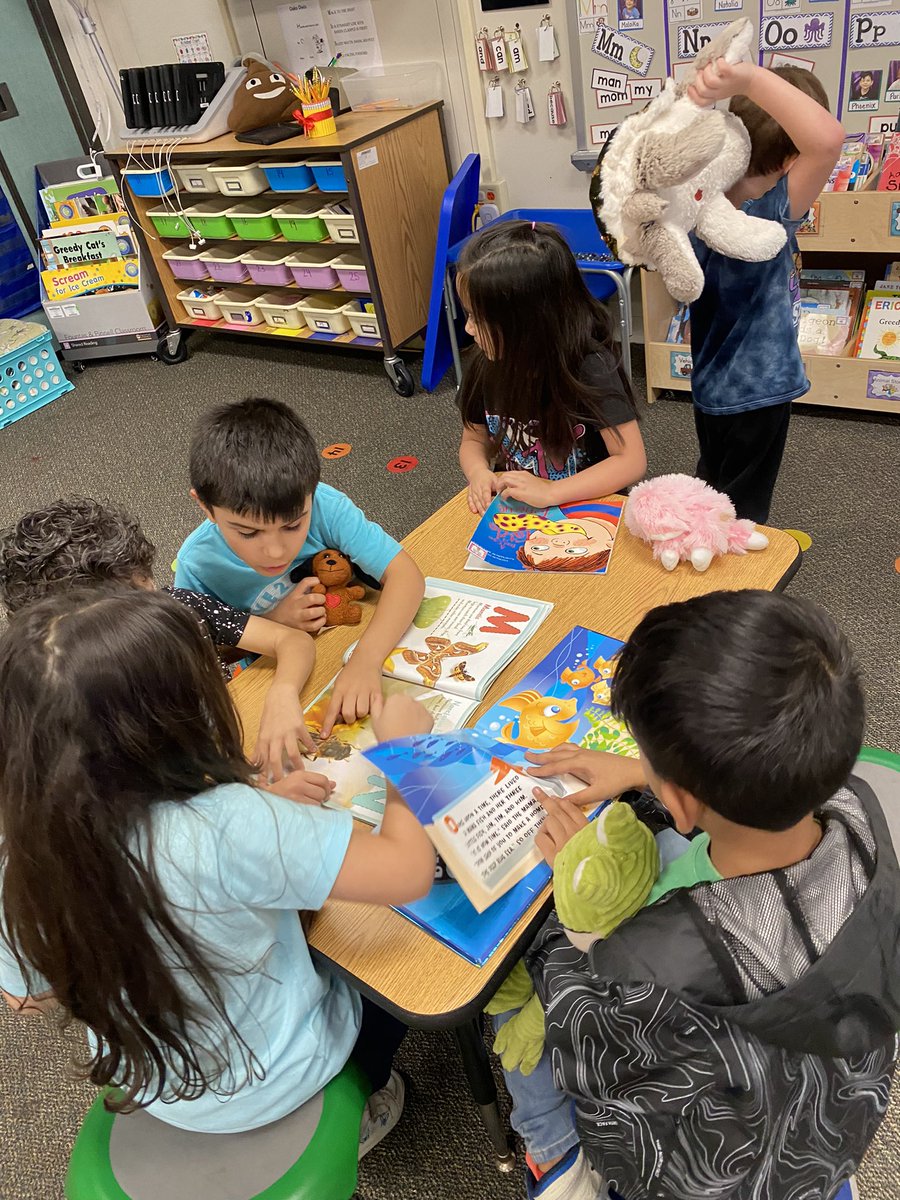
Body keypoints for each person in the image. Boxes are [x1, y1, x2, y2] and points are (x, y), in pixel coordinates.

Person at [494, 590, 900, 1200]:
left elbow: (610, 1101)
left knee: (510, 1008)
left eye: (648, 759)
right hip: (829, 1133)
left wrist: (576, 911)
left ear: (680, 800)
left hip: (703, 1170)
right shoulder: (862, 815)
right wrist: (643, 774)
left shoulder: (645, 968)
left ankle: (553, 1164)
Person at [0, 589, 435, 1146]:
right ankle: (364, 1102)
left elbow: (29, 999)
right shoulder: (228, 824)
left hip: (155, 1085)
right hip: (277, 1080)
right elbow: (407, 872)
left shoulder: (21, 852)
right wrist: (408, 753)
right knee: (403, 978)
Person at [0, 496, 314, 785]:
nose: (156, 602)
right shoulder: (70, 696)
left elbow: (291, 641)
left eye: (147, 582)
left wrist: (282, 694)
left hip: (238, 734)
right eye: (138, 601)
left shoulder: (180, 608)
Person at [174, 397, 424, 737]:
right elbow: (206, 658)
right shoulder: (198, 564)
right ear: (205, 507)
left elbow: (405, 576)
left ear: (311, 492)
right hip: (266, 679)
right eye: (248, 532)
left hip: (344, 645)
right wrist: (270, 622)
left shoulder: (325, 505)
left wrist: (366, 660)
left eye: (293, 525)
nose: (276, 550)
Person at [686, 62, 844, 524]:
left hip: (710, 383)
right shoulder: (771, 210)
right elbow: (828, 140)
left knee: (714, 487)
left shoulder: (699, 205)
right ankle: (732, 590)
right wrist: (750, 79)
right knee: (743, 512)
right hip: (761, 391)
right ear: (793, 158)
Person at [456, 220, 646, 516]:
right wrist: (479, 472)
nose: (469, 329)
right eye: (468, 314)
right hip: (520, 509)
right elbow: (474, 439)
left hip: (586, 505)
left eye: (479, 318)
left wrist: (551, 491)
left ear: (528, 324)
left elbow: (630, 460)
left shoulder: (590, 368)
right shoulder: (484, 365)